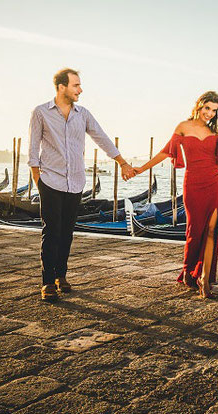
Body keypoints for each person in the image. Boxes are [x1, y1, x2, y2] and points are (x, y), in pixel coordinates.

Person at [28, 68, 137, 302]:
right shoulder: (40, 113)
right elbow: (32, 148)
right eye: (76, 85)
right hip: (51, 179)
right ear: (61, 87)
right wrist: (38, 180)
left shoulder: (83, 114)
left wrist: (123, 163)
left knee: (67, 232)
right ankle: (47, 282)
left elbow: (101, 137)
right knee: (51, 231)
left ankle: (61, 276)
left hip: (75, 181)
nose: (80, 89)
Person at [133, 91, 218, 298]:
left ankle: (204, 278)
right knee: (195, 230)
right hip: (193, 184)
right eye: (207, 108)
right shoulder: (183, 127)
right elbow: (166, 152)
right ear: (199, 105)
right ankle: (190, 271)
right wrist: (142, 168)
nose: (210, 113)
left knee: (212, 230)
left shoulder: (214, 133)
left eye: (214, 111)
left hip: (214, 183)